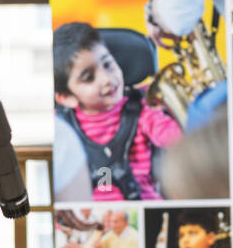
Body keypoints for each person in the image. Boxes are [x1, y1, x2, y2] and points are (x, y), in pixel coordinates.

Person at [54, 22, 182, 200]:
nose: (107, 79)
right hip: (90, 216)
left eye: (108, 64)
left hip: (144, 209)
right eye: (89, 78)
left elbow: (176, 139)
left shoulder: (142, 109)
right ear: (66, 97)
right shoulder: (61, 126)